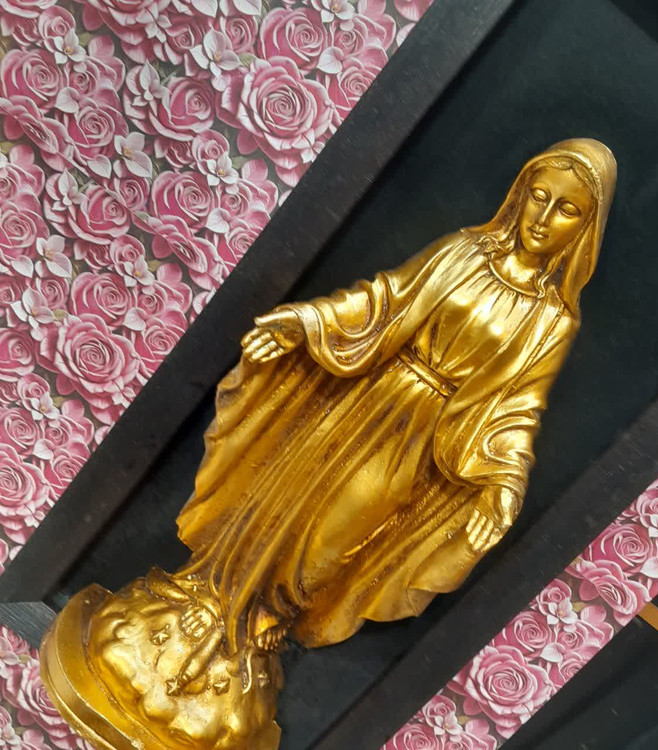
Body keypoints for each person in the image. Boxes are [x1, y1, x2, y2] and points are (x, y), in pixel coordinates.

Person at [174, 137, 617, 667]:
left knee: (340, 528)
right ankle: (218, 590)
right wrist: (306, 322)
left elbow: (519, 409)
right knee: (289, 491)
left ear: (584, 229)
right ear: (520, 195)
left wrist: (505, 481)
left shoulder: (552, 321)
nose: (543, 218)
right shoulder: (463, 252)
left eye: (566, 210)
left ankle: (272, 610)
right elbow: (384, 300)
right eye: (539, 197)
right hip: (367, 395)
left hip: (421, 434)